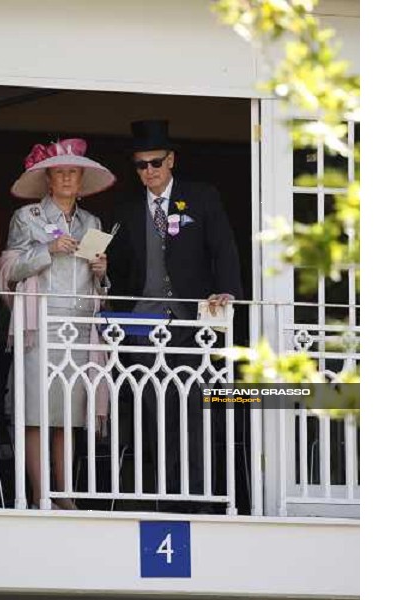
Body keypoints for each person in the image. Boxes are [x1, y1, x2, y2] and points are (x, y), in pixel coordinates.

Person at [107, 119, 243, 512]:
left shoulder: (201, 197)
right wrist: (102, 269)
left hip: (190, 322)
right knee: (154, 410)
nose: (148, 171)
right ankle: (166, 494)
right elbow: (120, 268)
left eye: (155, 162)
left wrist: (228, 292)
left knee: (195, 407)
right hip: (143, 324)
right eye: (140, 165)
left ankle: (198, 497)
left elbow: (224, 249)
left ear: (171, 160)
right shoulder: (127, 210)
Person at [0, 137, 115, 509]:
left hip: (80, 325)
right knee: (37, 412)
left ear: (81, 180)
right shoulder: (28, 218)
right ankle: (38, 493)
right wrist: (45, 251)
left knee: (69, 413)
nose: (67, 178)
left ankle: (63, 492)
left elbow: (99, 283)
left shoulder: (91, 222)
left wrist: (102, 272)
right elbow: (9, 270)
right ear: (49, 179)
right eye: (60, 172)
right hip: (41, 325)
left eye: (73, 172)